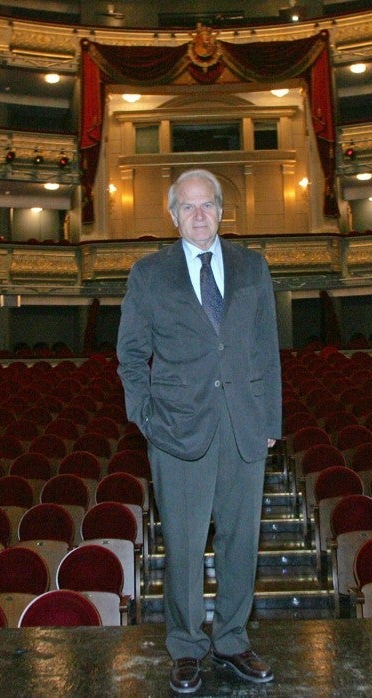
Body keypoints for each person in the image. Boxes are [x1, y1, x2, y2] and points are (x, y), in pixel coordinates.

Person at [116, 169, 282, 693]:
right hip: (177, 430)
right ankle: (187, 645)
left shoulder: (253, 267)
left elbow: (268, 350)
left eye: (206, 204)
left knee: (241, 542)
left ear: (220, 209)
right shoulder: (148, 274)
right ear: (172, 215)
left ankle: (232, 639)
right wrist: (145, 417)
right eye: (187, 207)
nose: (198, 215)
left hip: (244, 427)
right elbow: (130, 355)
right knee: (185, 546)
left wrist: (271, 421)